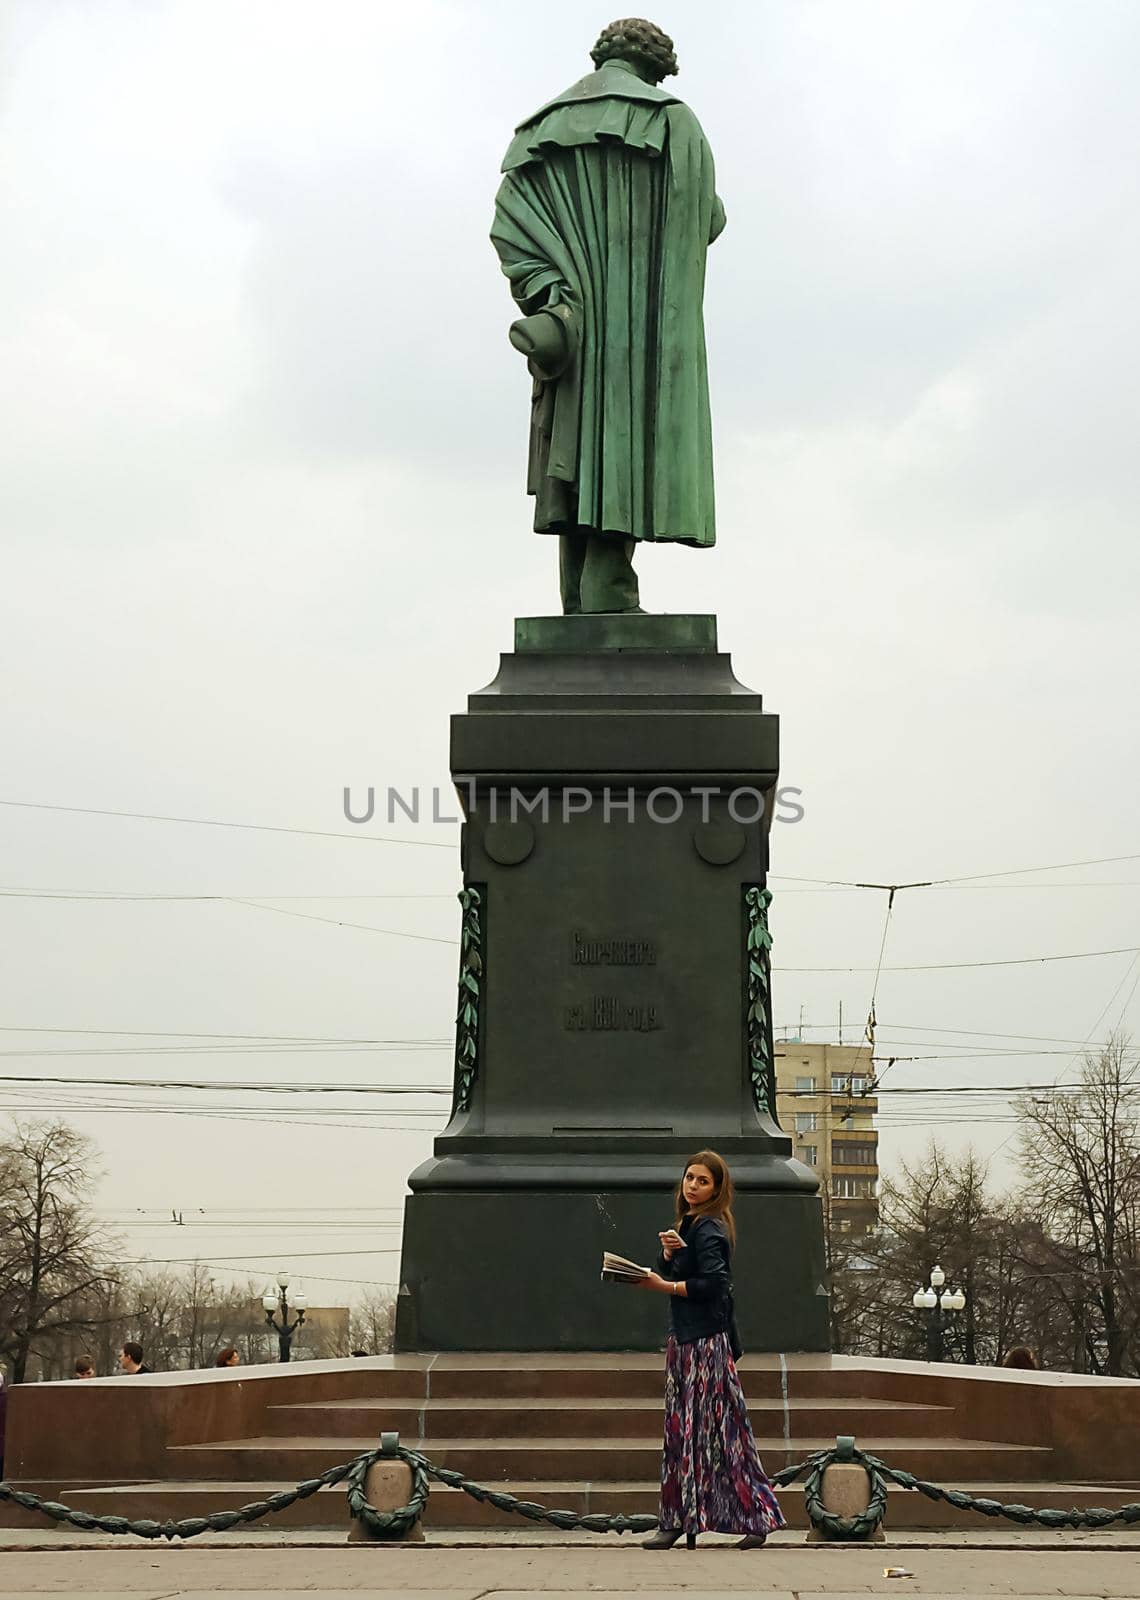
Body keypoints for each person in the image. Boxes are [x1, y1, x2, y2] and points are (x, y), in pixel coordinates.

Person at [492, 19, 724, 615]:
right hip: (645, 326)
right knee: (621, 447)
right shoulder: (672, 120)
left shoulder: (535, 134)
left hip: (574, 323)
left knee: (574, 448)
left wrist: (550, 292)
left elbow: (511, 229)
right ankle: (608, 596)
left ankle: (585, 598)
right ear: (659, 65)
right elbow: (708, 219)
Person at [633, 1149, 785, 1551]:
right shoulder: (690, 1224)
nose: (693, 1186)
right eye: (689, 1178)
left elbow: (714, 1285)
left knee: (720, 1432)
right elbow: (688, 1272)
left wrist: (663, 1285)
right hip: (686, 1342)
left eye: (703, 1181)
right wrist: (669, 1256)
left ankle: (758, 1517)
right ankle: (679, 1519)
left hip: (705, 1344)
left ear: (717, 1188)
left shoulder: (710, 1228)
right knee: (683, 1433)